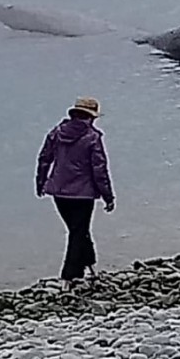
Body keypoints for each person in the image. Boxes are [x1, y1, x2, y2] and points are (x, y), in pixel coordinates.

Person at [36, 96, 115, 290]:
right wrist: (108, 196)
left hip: (58, 192)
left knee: (78, 230)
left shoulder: (56, 132)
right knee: (77, 232)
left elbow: (44, 158)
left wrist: (41, 182)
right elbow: (100, 169)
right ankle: (68, 277)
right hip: (83, 194)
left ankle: (90, 266)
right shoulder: (92, 137)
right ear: (91, 117)